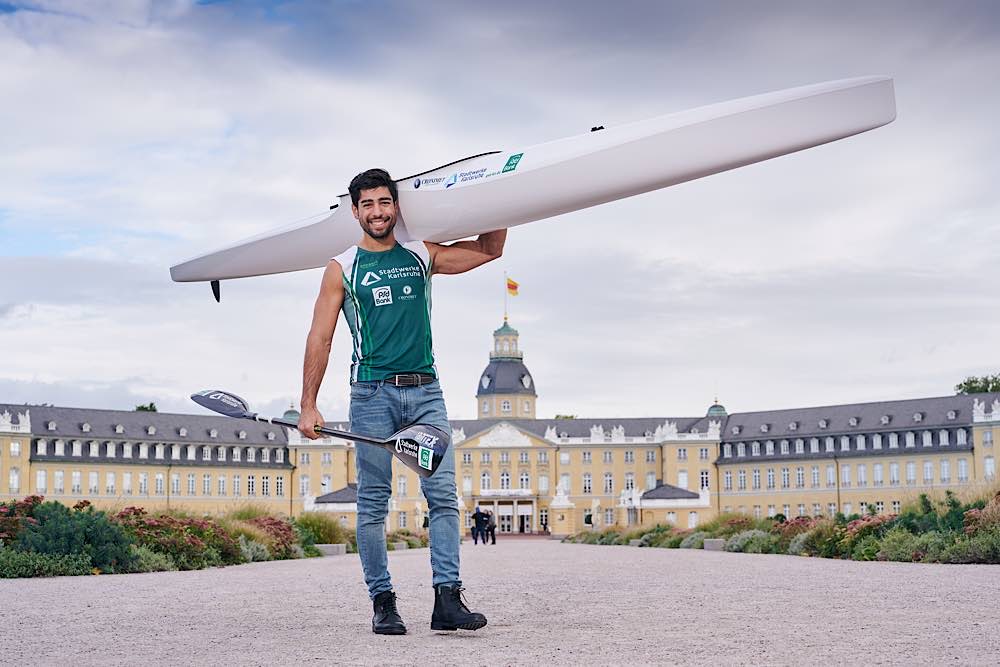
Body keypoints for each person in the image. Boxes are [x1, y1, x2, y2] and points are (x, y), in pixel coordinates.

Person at [298, 168, 506, 635]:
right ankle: (383, 603)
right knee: (373, 502)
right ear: (355, 211)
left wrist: (503, 202)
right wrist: (308, 403)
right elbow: (321, 337)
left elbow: (490, 251)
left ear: (396, 207)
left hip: (426, 391)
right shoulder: (343, 268)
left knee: (443, 497)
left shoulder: (419, 254)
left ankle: (447, 600)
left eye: (384, 203)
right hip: (371, 395)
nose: (377, 212)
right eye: (367, 204)